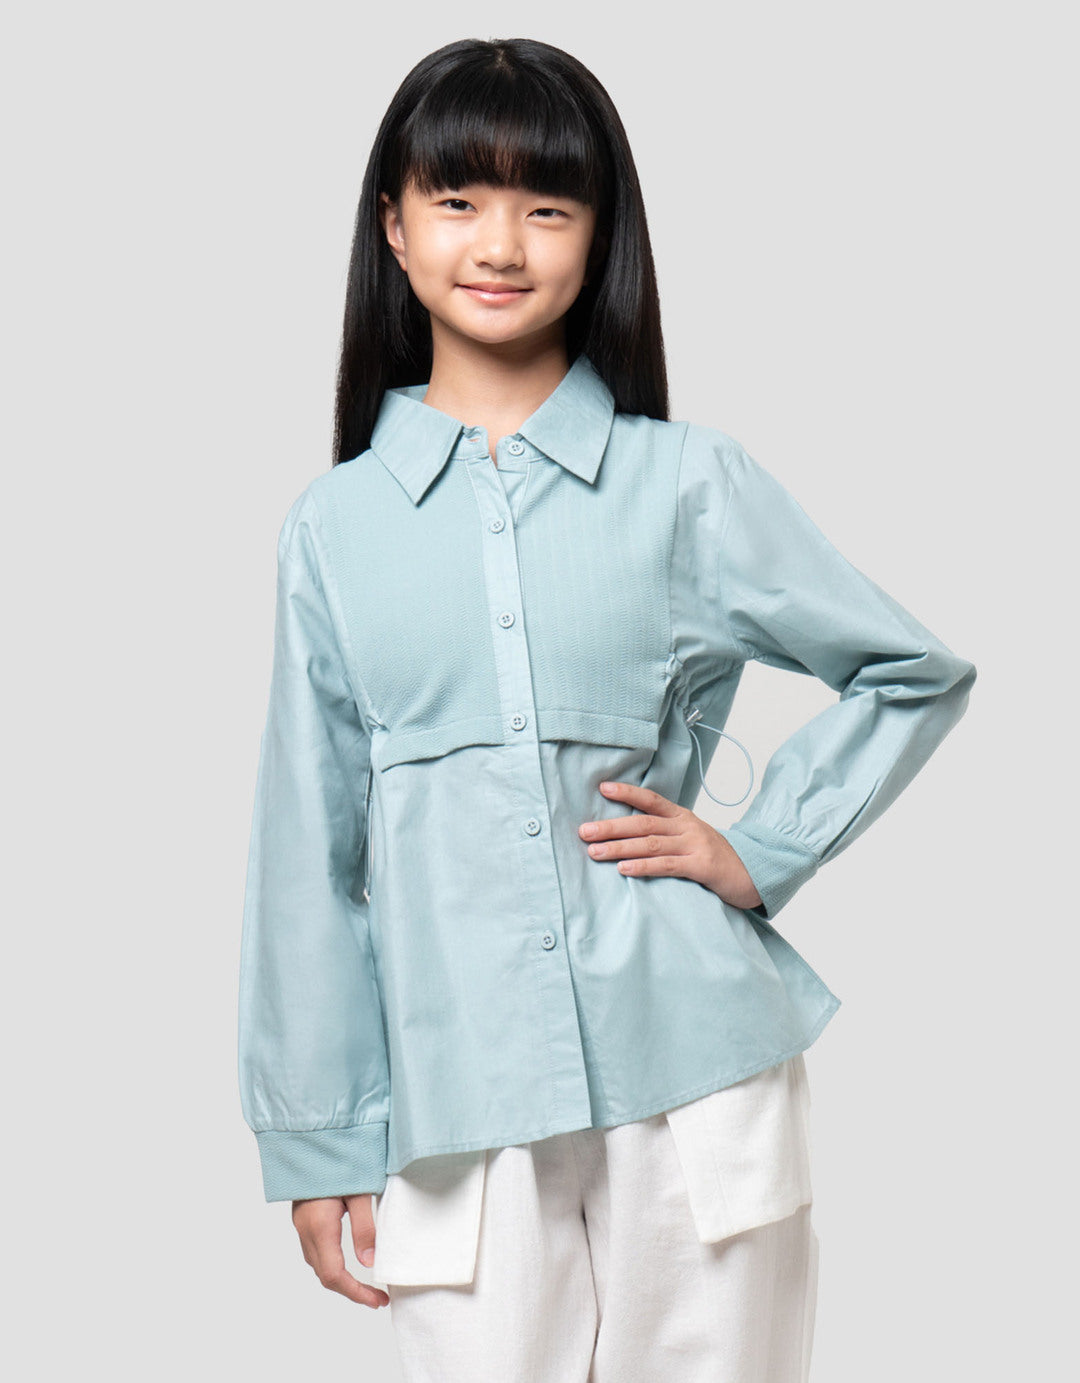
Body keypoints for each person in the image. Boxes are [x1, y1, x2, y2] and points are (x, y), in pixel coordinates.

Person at [237, 35, 977, 1383]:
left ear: (599, 236)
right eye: (457, 200)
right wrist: (318, 1137)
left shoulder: (690, 486)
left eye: (547, 206)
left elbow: (910, 670)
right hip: (454, 1103)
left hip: (695, 1074)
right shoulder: (333, 531)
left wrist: (761, 849)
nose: (499, 244)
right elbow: (308, 858)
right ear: (393, 227)